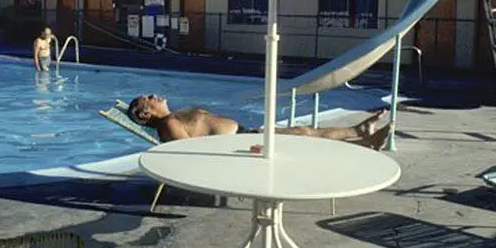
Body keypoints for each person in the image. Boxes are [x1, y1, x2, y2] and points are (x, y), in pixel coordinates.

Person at [127, 94, 391, 150]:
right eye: (148, 98)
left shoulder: (175, 117)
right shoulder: (169, 125)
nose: (155, 96)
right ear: (145, 114)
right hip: (242, 146)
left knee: (304, 132)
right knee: (305, 136)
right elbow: (188, 152)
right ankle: (361, 140)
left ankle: (360, 132)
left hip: (245, 135)